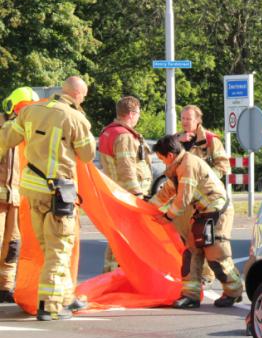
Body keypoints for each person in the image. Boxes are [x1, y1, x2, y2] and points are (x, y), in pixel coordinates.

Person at [0, 77, 95, 320]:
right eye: (83, 97)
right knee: (59, 250)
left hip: (32, 192)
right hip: (58, 194)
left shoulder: (30, 112)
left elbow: (5, 139)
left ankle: (66, 298)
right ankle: (50, 306)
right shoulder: (75, 118)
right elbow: (87, 155)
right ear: (78, 95)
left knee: (49, 248)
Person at [148, 134, 243, 308]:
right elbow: (166, 192)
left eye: (162, 159)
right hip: (202, 212)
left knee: (216, 253)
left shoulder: (188, 165)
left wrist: (167, 217)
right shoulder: (178, 166)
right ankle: (190, 296)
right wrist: (146, 208)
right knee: (191, 253)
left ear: (170, 155)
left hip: (216, 211)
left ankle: (233, 291)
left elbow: (183, 199)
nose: (162, 162)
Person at [98, 96, 152, 273]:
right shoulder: (124, 136)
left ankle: (110, 274)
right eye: (138, 113)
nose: (138, 117)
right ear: (131, 114)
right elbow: (126, 167)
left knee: (117, 238)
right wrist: (137, 195)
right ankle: (117, 276)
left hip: (115, 193)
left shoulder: (109, 132)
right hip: (126, 197)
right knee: (125, 239)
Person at [178, 105, 230, 284]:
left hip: (206, 199)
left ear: (198, 120)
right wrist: (178, 142)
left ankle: (207, 275)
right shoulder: (178, 139)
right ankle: (191, 276)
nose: (185, 122)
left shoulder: (210, 140)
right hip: (186, 198)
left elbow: (223, 166)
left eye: (189, 119)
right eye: (183, 118)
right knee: (188, 239)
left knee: (205, 237)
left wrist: (204, 179)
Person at [0, 87, 39, 303]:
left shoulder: (29, 130)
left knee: (12, 245)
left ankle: (5, 287)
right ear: (11, 107)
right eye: (23, 108)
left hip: (15, 198)